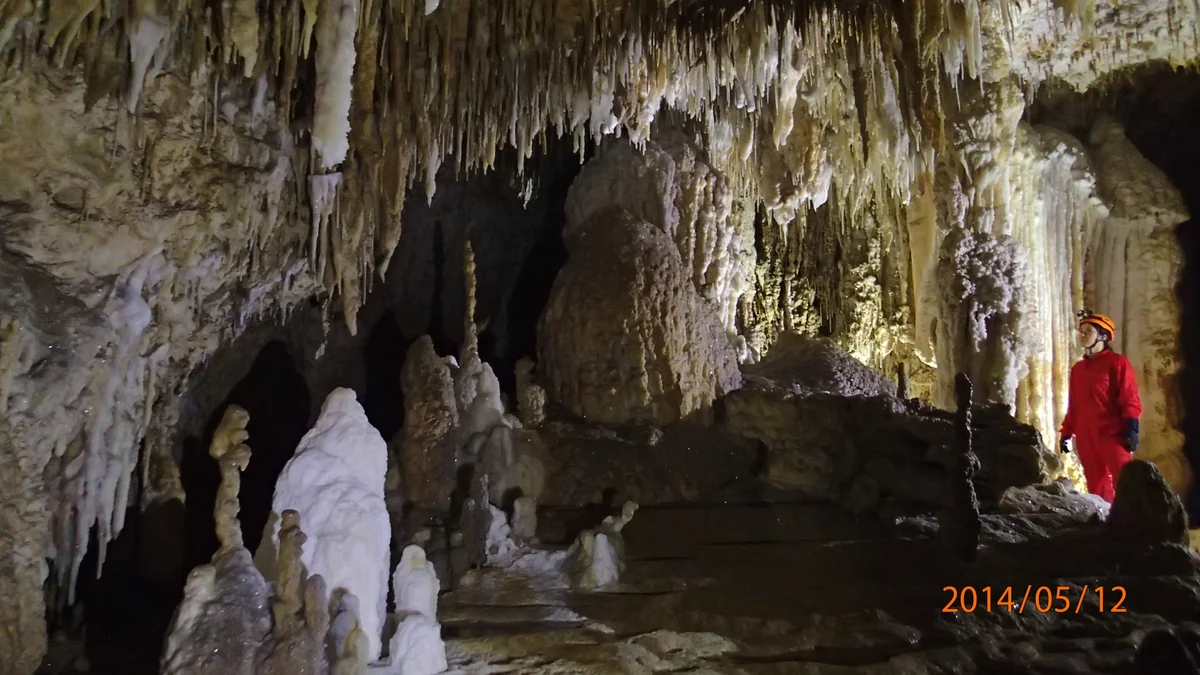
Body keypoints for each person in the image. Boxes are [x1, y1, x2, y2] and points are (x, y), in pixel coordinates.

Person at [1058, 311, 1142, 503]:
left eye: (1089, 331)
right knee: (1096, 484)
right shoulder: (1078, 369)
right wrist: (1066, 432)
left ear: (1103, 336)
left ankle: (1132, 519)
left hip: (1112, 432)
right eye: (1081, 331)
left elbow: (1128, 395)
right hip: (1086, 435)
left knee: (1124, 479)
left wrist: (1132, 426)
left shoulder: (1117, 362)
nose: (1083, 335)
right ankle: (1107, 523)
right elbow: (1074, 404)